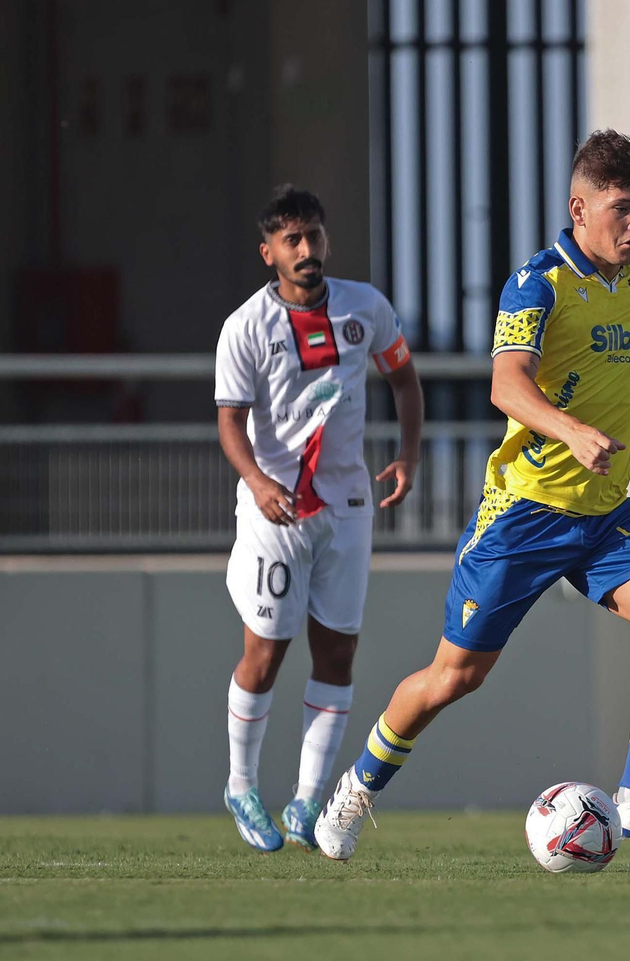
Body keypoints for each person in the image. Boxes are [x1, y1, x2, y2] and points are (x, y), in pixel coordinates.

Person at [315, 130, 630, 860]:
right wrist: (571, 431)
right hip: (525, 514)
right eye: (622, 208)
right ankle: (355, 791)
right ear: (579, 208)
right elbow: (507, 384)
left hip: (604, 515)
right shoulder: (538, 283)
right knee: (454, 677)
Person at [213, 185, 424, 852]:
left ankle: (307, 802)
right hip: (276, 510)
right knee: (266, 651)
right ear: (268, 252)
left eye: (314, 236)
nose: (306, 250)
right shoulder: (246, 327)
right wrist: (257, 481)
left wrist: (409, 454)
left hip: (349, 505)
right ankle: (241, 785)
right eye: (292, 240)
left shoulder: (365, 307)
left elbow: (404, 379)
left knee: (337, 651)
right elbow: (229, 422)